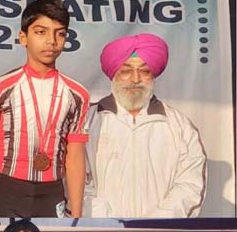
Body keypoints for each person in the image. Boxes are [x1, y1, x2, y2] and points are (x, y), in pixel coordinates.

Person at [0, 0, 89, 218]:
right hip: (6, 189)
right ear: (23, 37)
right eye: (41, 32)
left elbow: (74, 157)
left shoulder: (77, 93)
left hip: (52, 192)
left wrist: (77, 212)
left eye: (60, 33)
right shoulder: (0, 87)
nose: (51, 41)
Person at [85, 33, 206, 217]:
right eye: (126, 71)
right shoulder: (87, 121)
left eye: (144, 71)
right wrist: (106, 222)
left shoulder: (179, 125)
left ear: (153, 75)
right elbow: (75, 182)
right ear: (113, 75)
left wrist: (155, 224)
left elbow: (190, 185)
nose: (135, 79)